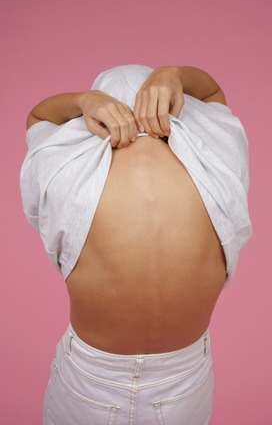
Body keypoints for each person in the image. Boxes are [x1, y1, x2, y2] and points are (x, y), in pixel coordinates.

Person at [20, 64, 252, 424]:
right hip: (184, 379)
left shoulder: (67, 167)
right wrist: (172, 73)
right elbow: (210, 94)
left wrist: (85, 101)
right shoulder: (214, 159)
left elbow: (38, 115)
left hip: (91, 378)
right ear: (174, 105)